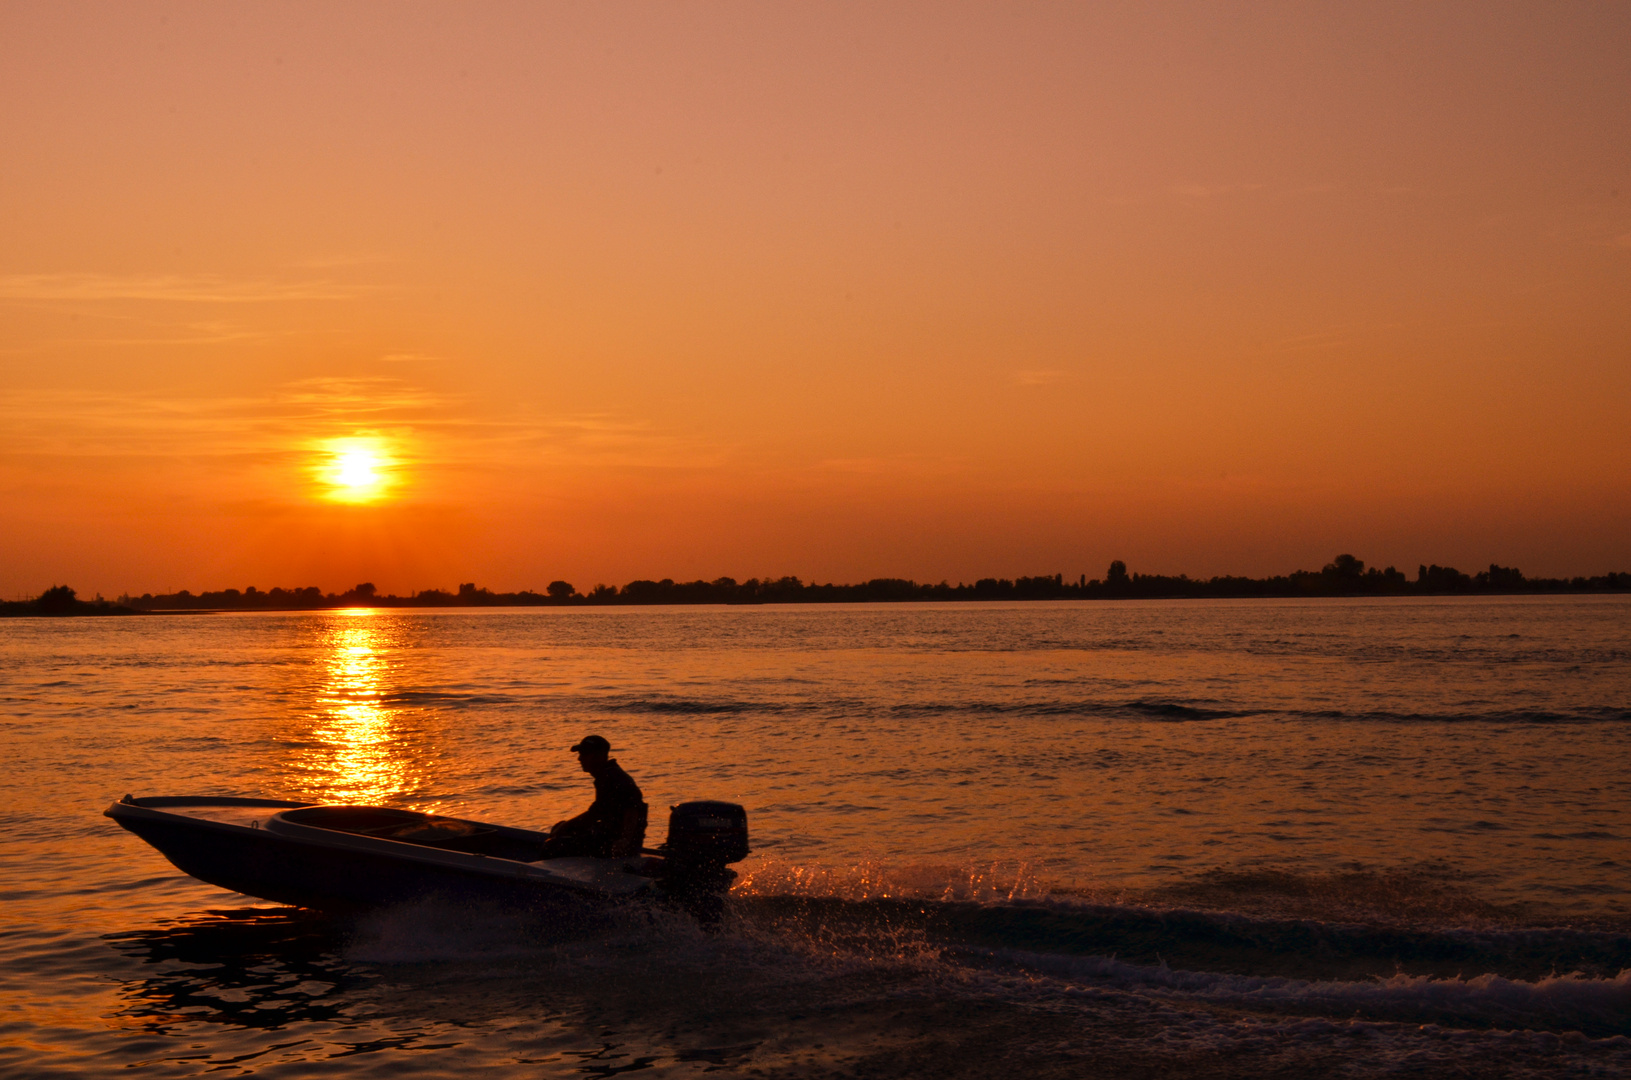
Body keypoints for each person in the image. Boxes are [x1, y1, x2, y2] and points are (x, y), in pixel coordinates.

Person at [539, 735, 648, 858]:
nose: (579, 759)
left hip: (614, 843)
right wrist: (565, 826)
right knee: (560, 828)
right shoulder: (607, 775)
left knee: (552, 846)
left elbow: (632, 810)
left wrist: (624, 840)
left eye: (584, 754)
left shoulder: (613, 778)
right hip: (608, 836)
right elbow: (597, 812)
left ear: (598, 756)